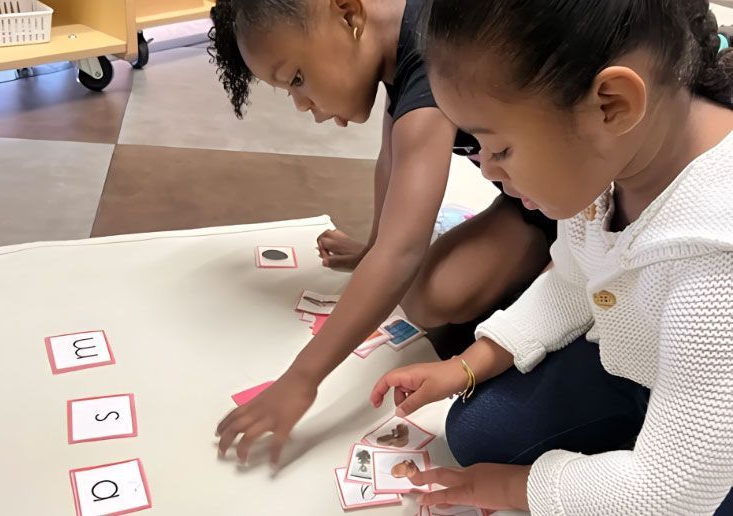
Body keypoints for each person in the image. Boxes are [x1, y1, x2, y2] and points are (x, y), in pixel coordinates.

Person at [371, 0, 733, 513]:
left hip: (710, 422)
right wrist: (467, 366)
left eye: (500, 149)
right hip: (645, 366)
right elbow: (571, 278)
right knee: (476, 432)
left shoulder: (718, 258)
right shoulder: (616, 155)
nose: (488, 173)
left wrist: (500, 489)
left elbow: (667, 493)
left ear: (611, 104)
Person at [208, 0, 555, 465]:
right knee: (422, 286)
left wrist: (302, 378)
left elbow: (402, 253)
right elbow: (392, 160)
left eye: (297, 78)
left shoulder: (436, 54)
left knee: (428, 293)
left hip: (571, 203)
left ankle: (555, 278)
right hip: (526, 193)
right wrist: (372, 245)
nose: (303, 105)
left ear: (349, 15)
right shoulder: (399, 38)